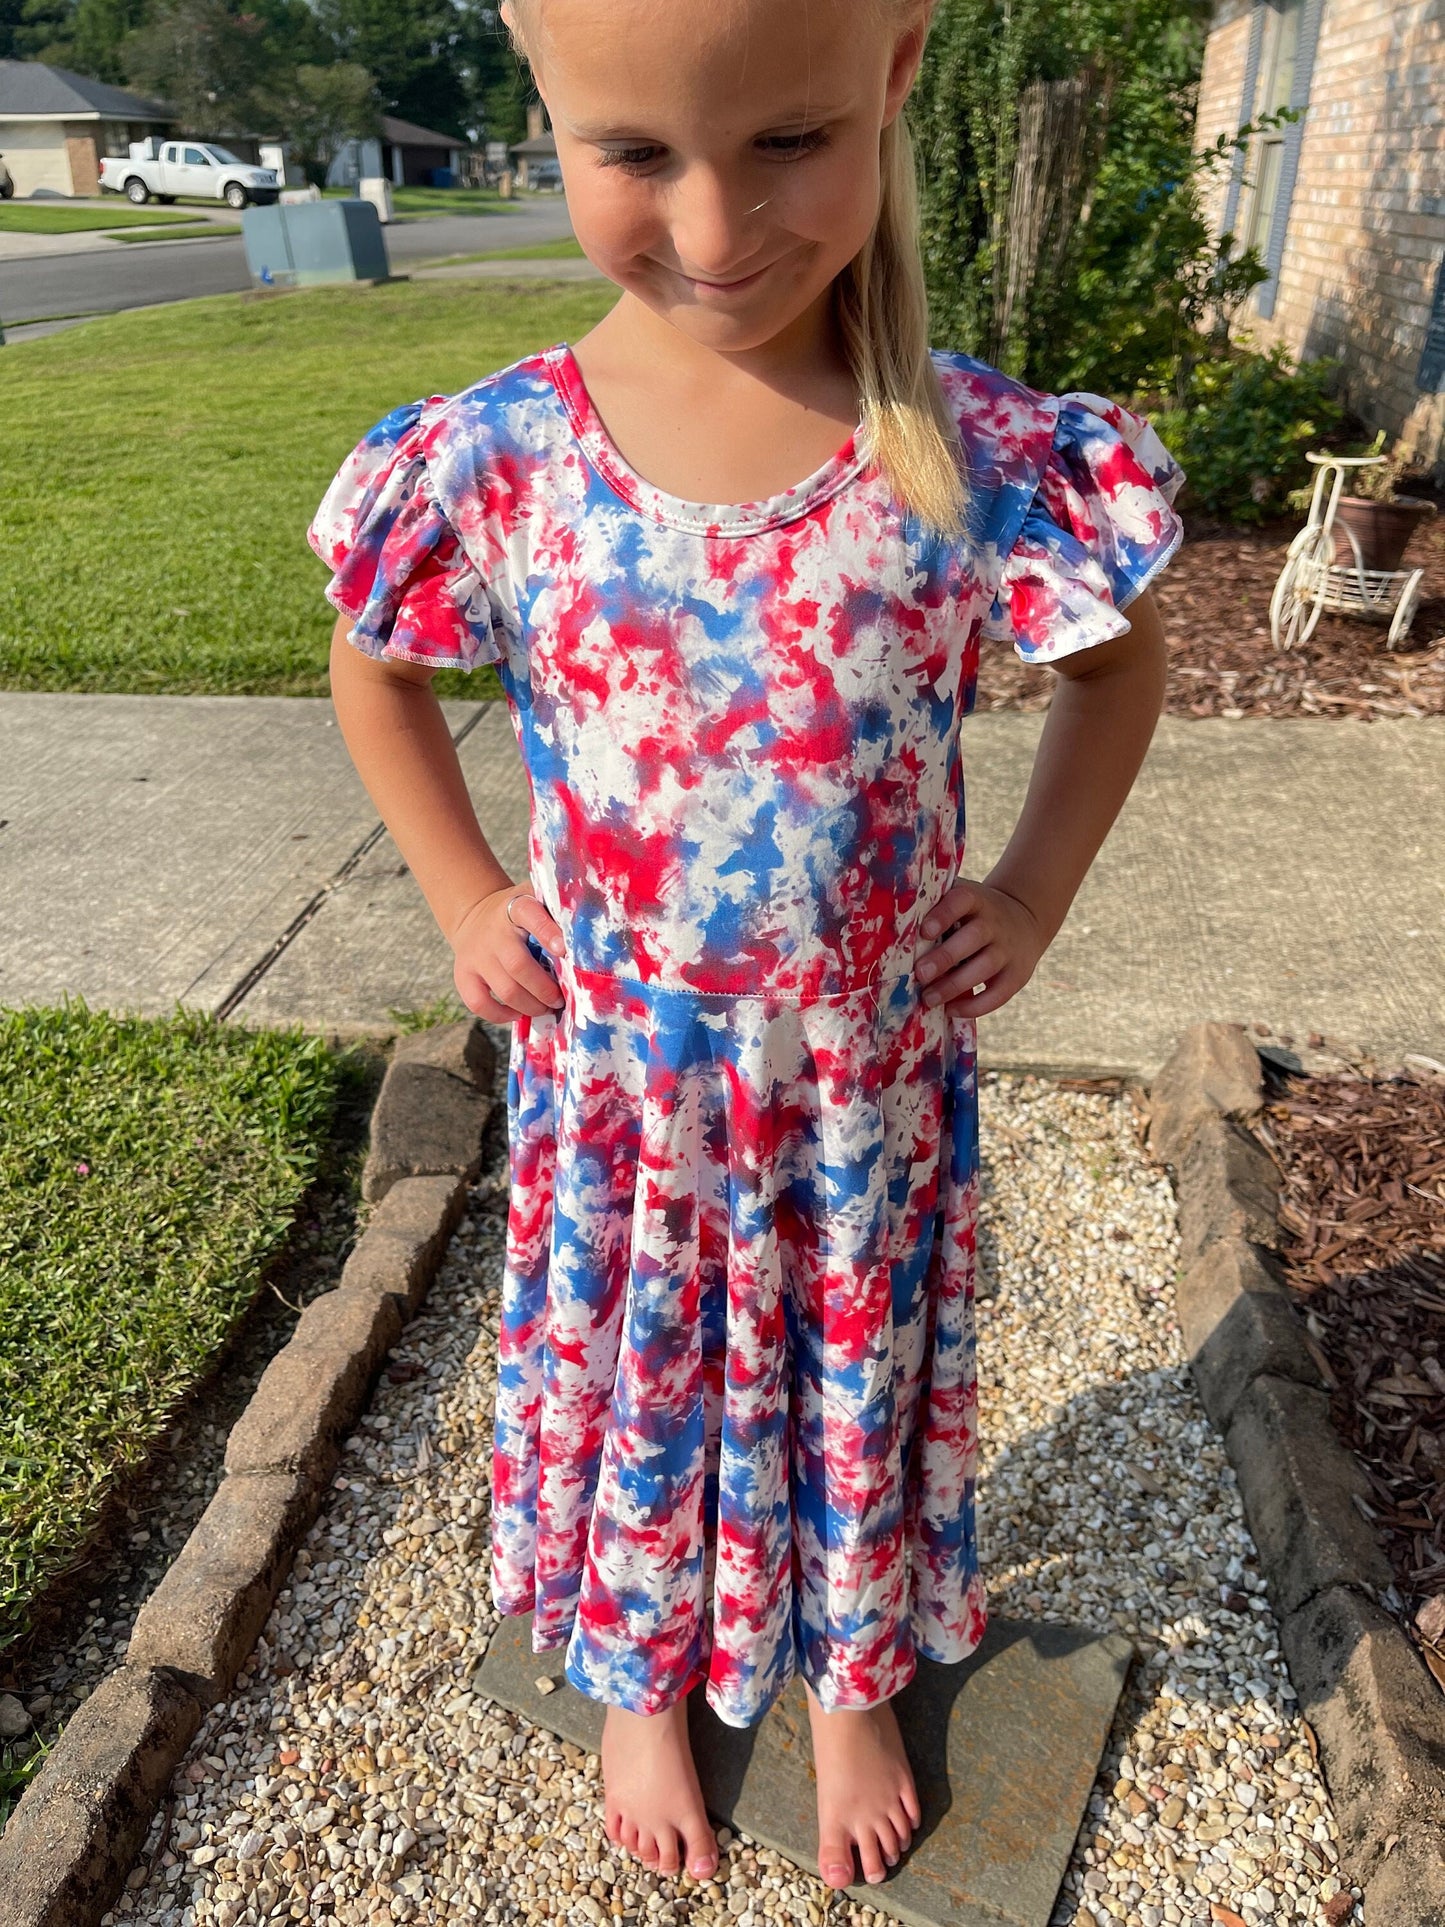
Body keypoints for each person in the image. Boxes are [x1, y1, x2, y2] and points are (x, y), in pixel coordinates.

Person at [308, 0, 1185, 1898]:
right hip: (624, 1086)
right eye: (634, 154)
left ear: (893, 75)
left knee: (851, 1377)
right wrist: (467, 896)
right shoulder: (499, 458)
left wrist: (1029, 890)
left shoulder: (970, 448)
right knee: (646, 1384)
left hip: (860, 1088)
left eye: (787, 141)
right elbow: (376, 678)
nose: (713, 229)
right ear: (545, 105)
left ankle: (851, 1672)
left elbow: (1113, 673)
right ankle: (640, 1678)